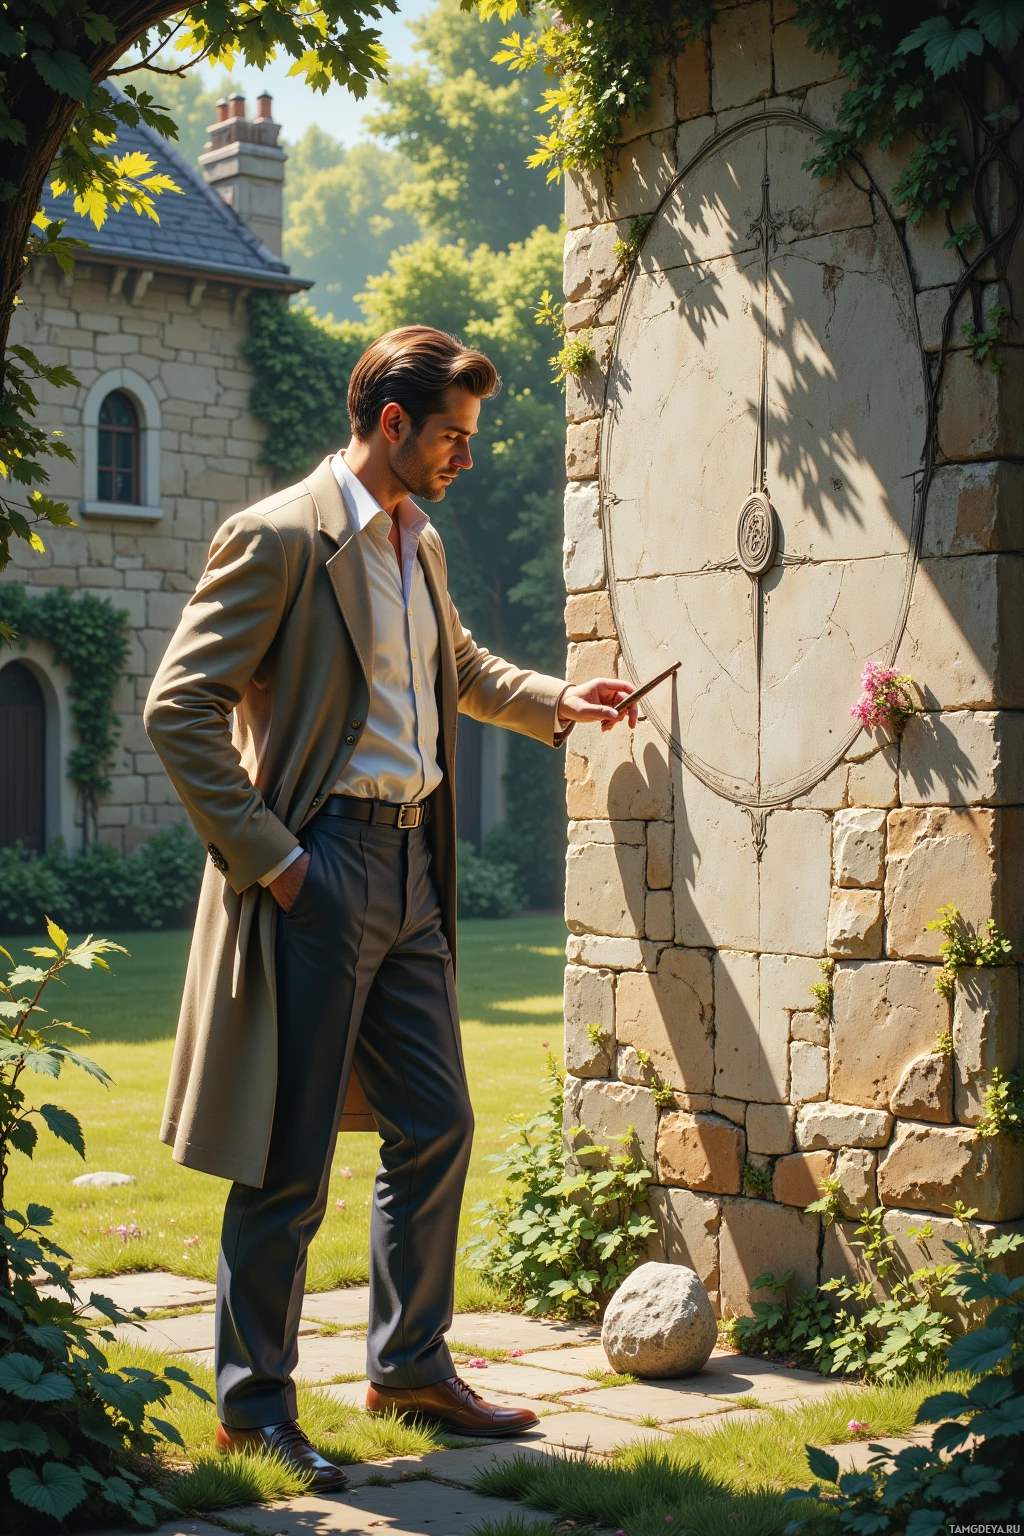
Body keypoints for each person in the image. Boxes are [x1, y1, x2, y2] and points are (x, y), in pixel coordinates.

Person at [145, 326, 637, 1490]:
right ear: (393, 423)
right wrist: (277, 861)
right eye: (454, 435)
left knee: (438, 1121)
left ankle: (408, 1366)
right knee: (288, 1155)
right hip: (320, 871)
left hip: (415, 873)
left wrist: (564, 698)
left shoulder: (421, 543)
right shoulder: (278, 539)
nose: (466, 455)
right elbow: (179, 709)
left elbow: (457, 671)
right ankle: (252, 1407)